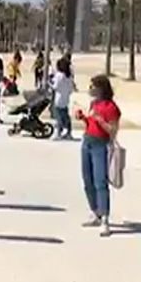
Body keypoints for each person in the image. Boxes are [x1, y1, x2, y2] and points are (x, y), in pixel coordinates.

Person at [75, 75, 121, 237]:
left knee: (100, 181)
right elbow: (91, 123)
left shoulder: (111, 107)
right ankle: (95, 211)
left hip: (100, 144)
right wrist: (84, 119)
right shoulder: (94, 104)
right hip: (87, 141)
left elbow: (113, 130)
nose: (90, 89)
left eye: (92, 86)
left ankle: (105, 218)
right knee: (87, 179)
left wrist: (101, 121)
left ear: (101, 88)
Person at [51, 57, 77, 140]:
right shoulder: (69, 77)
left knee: (58, 117)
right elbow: (71, 88)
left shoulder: (59, 75)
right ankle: (68, 132)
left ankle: (58, 132)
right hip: (66, 99)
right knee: (66, 116)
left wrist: (50, 83)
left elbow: (56, 86)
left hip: (58, 99)